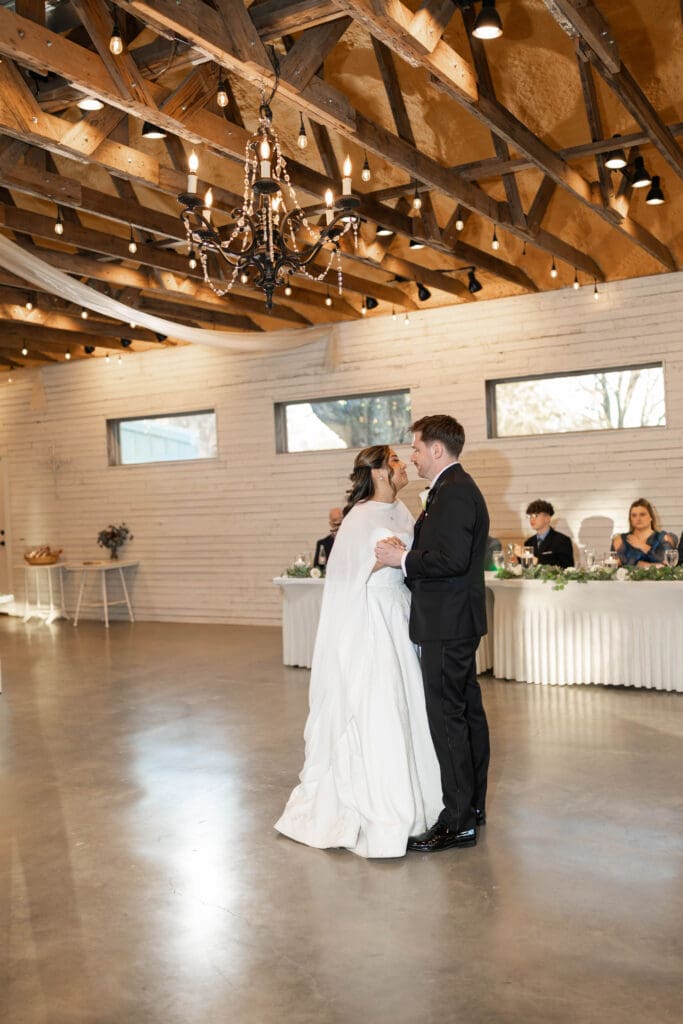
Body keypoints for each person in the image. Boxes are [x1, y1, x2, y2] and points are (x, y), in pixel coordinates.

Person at [275, 446, 441, 858]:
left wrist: (401, 560)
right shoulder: (359, 517)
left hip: (401, 615)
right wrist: (380, 562)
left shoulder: (402, 511)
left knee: (409, 705)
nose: (404, 466)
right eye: (397, 462)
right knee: (379, 705)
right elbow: (344, 580)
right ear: (381, 472)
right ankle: (379, 806)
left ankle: (421, 798)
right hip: (372, 619)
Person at [376, 415, 490, 853]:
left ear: (437, 450)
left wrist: (400, 560)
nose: (413, 456)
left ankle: (457, 820)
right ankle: (472, 806)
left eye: (417, 448)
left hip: (447, 623)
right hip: (455, 621)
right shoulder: (453, 489)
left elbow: (451, 559)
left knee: (448, 719)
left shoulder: (455, 493)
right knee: (466, 714)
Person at [611, 498, 676, 567]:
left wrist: (643, 546)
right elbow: (614, 568)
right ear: (630, 519)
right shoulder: (619, 540)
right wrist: (650, 565)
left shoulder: (663, 538)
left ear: (651, 517)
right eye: (634, 515)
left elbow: (668, 565)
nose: (638, 518)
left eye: (642, 514)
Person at [522, 499, 574, 568]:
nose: (532, 519)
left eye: (535, 516)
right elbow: (526, 568)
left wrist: (536, 560)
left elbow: (567, 567)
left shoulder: (562, 540)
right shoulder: (528, 542)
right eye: (530, 516)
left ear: (547, 518)